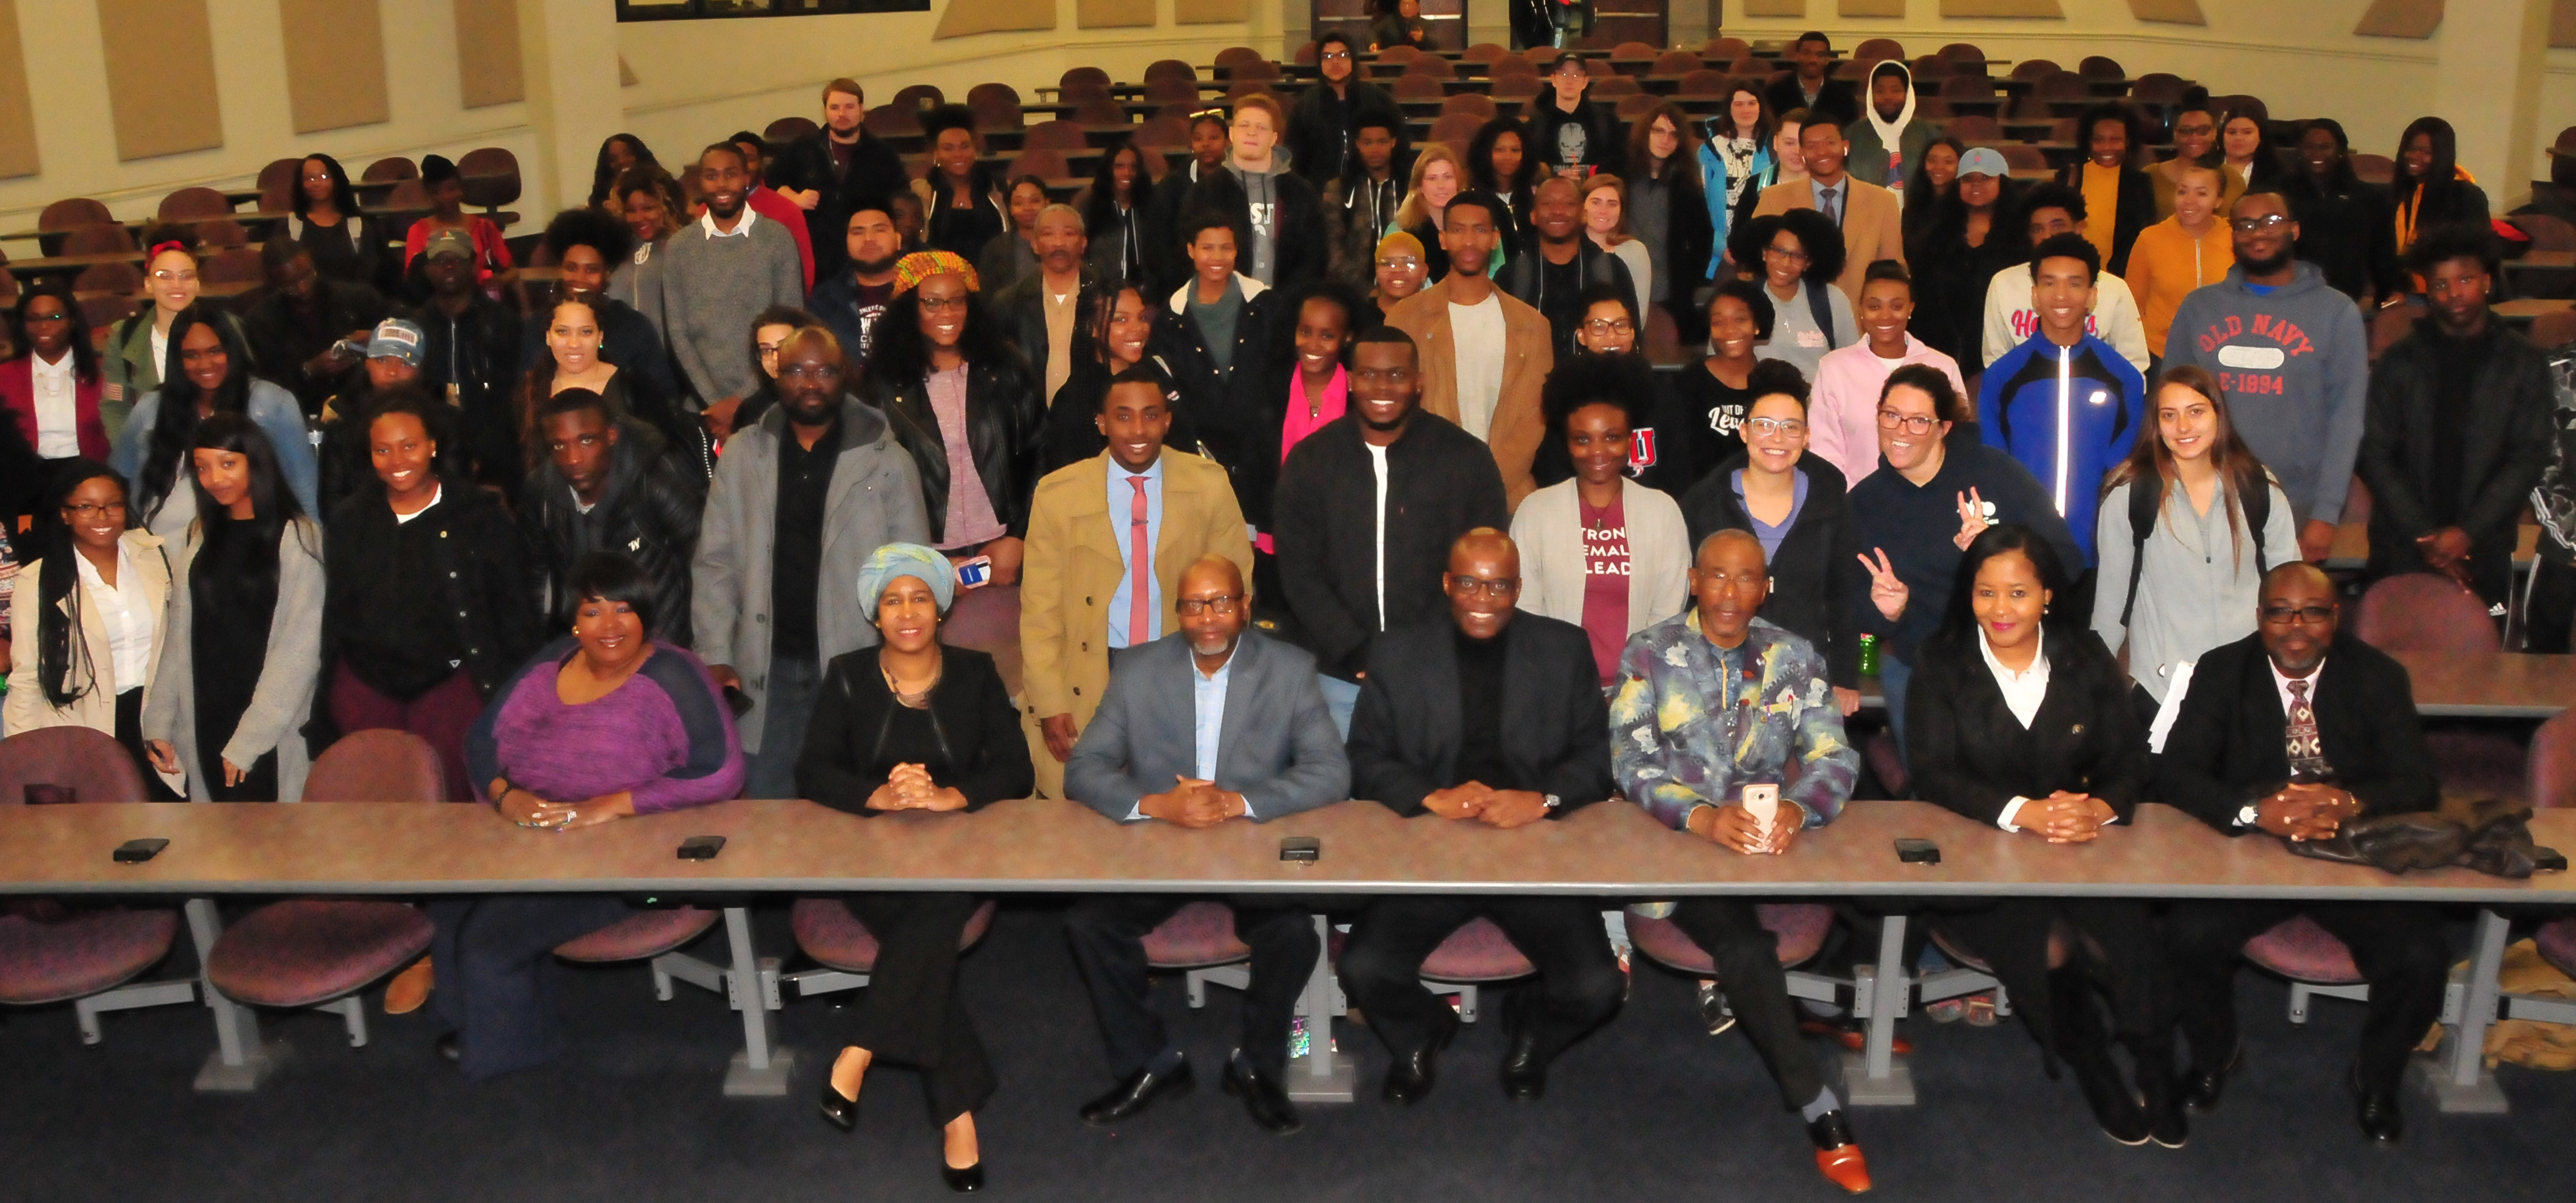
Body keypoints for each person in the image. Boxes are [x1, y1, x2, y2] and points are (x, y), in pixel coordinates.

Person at [1610, 528, 1872, 1194]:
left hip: (1777, 845)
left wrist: (1797, 808)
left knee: (1862, 902)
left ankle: (1820, 1006)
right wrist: (1700, 815)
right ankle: (1818, 1105)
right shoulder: (1650, 652)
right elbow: (1629, 761)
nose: (1731, 593)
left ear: (1766, 586)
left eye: (1746, 578)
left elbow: (1835, 758)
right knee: (1747, 950)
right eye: (1717, 577)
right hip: (1685, 846)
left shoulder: (1796, 656)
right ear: (1695, 580)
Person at [2157, 562, 2448, 1146]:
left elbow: (2419, 783)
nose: (2296, 627)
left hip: (2351, 856)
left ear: (2335, 619)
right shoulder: (2221, 671)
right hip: (2252, 853)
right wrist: (2252, 811)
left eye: (2313, 613)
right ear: (2259, 617)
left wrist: (2349, 800)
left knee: (2421, 954)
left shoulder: (2378, 676)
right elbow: (2174, 773)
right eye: (2279, 612)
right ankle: (2215, 1057)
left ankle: (2377, 1078)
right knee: (2185, 935)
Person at [1907, 525, 2175, 1147]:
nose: (2001, 609)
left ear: (2048, 595)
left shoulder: (2085, 656)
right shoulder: (1939, 662)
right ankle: (2094, 1067)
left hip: (2081, 845)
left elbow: (2129, 760)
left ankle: (2155, 1059)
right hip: (1980, 855)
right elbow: (1932, 773)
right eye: (1986, 593)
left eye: (2018, 593)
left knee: (2122, 934)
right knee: (2048, 943)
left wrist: (2100, 808)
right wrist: (2020, 811)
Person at [1062, 555, 1349, 1134]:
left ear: (1244, 606)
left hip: (1249, 850)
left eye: (1221, 602)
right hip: (1160, 849)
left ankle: (1258, 1065)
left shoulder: (1290, 670)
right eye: (1194, 605)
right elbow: (1084, 768)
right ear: (1179, 612)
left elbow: (1332, 772)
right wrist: (1156, 805)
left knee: (1293, 934)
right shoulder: (1138, 669)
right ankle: (1149, 1063)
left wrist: (1237, 802)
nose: (1208, 617)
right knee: (1088, 924)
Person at [436, 552, 744, 1079]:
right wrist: (506, 796)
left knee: (490, 938)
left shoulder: (672, 672)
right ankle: (481, 1023)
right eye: (592, 611)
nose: (608, 626)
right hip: (533, 837)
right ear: (573, 621)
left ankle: (509, 1054)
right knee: (448, 904)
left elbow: (722, 770)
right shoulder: (550, 661)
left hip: (625, 855)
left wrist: (609, 807)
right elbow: (480, 742)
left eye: (624, 610)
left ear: (647, 615)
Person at [1340, 528, 1622, 1101]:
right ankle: (1422, 1031)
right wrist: (1428, 796)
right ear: (1447, 583)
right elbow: (1365, 758)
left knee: (1596, 986)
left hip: (1533, 849)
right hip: (1432, 846)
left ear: (1518, 589)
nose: (1482, 598)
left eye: (1498, 586)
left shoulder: (1564, 649)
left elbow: (1597, 759)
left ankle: (1532, 1031)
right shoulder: (1397, 652)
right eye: (1468, 583)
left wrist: (1541, 799)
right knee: (1364, 967)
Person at [800, 544, 1028, 1191]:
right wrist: (877, 795)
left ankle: (860, 1047)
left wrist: (949, 795)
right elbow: (812, 770)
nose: (907, 611)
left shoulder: (976, 673)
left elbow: (1017, 768)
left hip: (958, 844)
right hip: (870, 851)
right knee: (925, 942)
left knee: (928, 915)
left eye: (920, 597)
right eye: (893, 599)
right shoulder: (847, 675)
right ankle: (958, 1115)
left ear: (940, 607)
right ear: (875, 613)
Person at [695, 325, 929, 799]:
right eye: (797, 370)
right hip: (765, 668)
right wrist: (716, 655)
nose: (811, 383)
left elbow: (913, 573)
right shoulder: (742, 455)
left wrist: (908, 666)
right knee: (766, 814)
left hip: (858, 666)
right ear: (775, 376)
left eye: (825, 371)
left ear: (845, 378)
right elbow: (715, 564)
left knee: (855, 815)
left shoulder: (888, 461)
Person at [1021, 367, 1254, 798]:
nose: (1138, 429)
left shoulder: (1209, 485)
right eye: (1123, 416)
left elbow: (1235, 592)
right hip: (1089, 673)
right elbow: (1039, 612)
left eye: (1150, 415)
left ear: (1168, 420)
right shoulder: (1058, 494)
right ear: (1102, 422)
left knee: (1178, 815)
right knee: (1085, 821)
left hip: (1180, 670)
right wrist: (1049, 703)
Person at [1272, 326, 1509, 734]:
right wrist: (1355, 651)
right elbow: (1299, 572)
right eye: (1368, 375)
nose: (1382, 387)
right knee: (1340, 793)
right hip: (1336, 679)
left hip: (1439, 672)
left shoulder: (1466, 459)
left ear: (1419, 382)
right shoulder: (1310, 461)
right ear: (1349, 381)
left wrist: (1418, 652)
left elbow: (1481, 567)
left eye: (1397, 375)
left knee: (1433, 795)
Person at [317, 389, 537, 802]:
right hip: (367, 689)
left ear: (433, 445)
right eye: (383, 450)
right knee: (373, 810)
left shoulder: (479, 514)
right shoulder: (350, 520)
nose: (397, 461)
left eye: (409, 446)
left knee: (450, 806)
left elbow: (514, 613)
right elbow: (338, 613)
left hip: (450, 689)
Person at [1848, 366, 2082, 750]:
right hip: (1920, 668)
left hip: (2012, 664)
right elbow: (1853, 605)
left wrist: (1997, 548)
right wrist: (1885, 614)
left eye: (1919, 421)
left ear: (1944, 428)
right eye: (1890, 415)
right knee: (1933, 798)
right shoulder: (1863, 504)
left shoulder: (1994, 472)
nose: (1900, 431)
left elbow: (2067, 561)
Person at [2161, 188, 2369, 562]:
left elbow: (2347, 420)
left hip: (2298, 503)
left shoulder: (2337, 312)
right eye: (2246, 224)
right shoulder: (2199, 308)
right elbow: (2168, 406)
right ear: (2233, 236)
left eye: (2272, 221)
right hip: (2207, 498)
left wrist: (2326, 513)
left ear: (2295, 229)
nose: (2259, 232)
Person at [2357, 223, 2555, 611]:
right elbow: (2375, 454)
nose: (2453, 294)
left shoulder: (2524, 362)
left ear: (2486, 281)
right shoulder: (2399, 362)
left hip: (2484, 545)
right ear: (2426, 290)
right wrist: (2426, 537)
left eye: (2464, 279)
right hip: (2403, 544)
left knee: (2478, 664)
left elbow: (2528, 455)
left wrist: (2467, 534)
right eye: (2440, 285)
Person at [2091, 366, 2298, 714]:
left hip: (2249, 689)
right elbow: (2110, 607)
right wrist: (2092, 691)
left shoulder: (2258, 487)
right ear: (2156, 425)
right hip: (2163, 694)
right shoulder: (2129, 496)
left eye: (2196, 412)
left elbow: (2289, 591)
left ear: (2219, 414)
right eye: (2169, 416)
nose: (2183, 428)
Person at [140, 416, 324, 802]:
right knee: (216, 848)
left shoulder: (297, 535)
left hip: (270, 723)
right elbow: (179, 634)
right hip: (206, 711)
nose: (215, 478)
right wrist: (159, 720)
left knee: (275, 847)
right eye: (203, 467)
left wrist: (250, 740)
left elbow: (301, 650)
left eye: (228, 464)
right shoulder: (200, 532)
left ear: (255, 463)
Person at [1681, 359, 1864, 708]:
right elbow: (1687, 596)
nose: (1777, 438)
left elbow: (1843, 596)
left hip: (1806, 673)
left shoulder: (1831, 503)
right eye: (1764, 426)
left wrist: (1844, 679)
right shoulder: (1703, 503)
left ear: (1807, 437)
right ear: (1744, 431)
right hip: (1715, 675)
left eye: (1791, 427)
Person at [864, 252, 1045, 588]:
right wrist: (922, 558)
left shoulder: (1005, 367)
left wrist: (1020, 537)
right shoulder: (884, 383)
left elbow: (1041, 453)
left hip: (1006, 547)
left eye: (957, 301)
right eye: (932, 303)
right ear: (909, 309)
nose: (947, 313)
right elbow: (873, 481)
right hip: (922, 554)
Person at [1510, 371, 1690, 684]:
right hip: (1555, 689)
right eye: (1583, 439)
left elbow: (1668, 615)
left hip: (1642, 692)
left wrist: (1636, 686)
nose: (1597, 451)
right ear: (1567, 443)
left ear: (1631, 439)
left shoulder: (1662, 512)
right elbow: (1526, 614)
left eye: (1611, 437)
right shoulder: (1535, 511)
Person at [4, 462, 174, 796]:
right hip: (80, 726)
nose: (102, 516)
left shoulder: (157, 558)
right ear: (65, 514)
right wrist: (20, 762)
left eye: (113, 505)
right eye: (86, 507)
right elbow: (26, 677)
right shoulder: (38, 582)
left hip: (154, 722)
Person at [1979, 233, 2148, 565]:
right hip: (2024, 556)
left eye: (2074, 284)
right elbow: (1994, 469)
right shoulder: (2002, 377)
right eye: (2049, 283)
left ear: (2092, 296)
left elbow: (2125, 471)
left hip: (2101, 556)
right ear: (2034, 295)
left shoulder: (2123, 378)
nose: (2061, 296)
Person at [1387, 190, 1555, 505]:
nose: (1468, 241)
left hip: (1508, 495)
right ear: (1443, 238)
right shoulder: (1405, 318)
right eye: (1458, 229)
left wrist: (1484, 482)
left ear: (1495, 239)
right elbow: (1398, 407)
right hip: (1427, 493)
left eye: (1479, 230)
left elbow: (1535, 417)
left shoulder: (1532, 325)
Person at [112, 305, 317, 542]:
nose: (205, 364)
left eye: (215, 351)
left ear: (233, 351)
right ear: (177, 360)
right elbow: (119, 477)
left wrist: (312, 546)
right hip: (158, 545)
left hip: (251, 543)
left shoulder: (273, 403)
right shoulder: (151, 408)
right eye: (191, 355)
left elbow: (304, 486)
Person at [520, 387, 703, 645]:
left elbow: (705, 561)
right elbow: (536, 579)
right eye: (559, 445)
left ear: (611, 435)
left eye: (586, 440)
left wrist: (704, 650)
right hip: (586, 650)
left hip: (661, 649)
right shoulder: (542, 492)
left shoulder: (654, 480)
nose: (573, 459)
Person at [665, 142, 807, 429]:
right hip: (702, 408)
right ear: (700, 181)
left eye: (730, 174)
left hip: (768, 401)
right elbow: (677, 334)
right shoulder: (679, 247)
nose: (721, 184)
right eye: (711, 175)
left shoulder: (776, 239)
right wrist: (713, 402)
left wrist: (742, 401)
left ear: (747, 177)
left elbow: (791, 327)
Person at [1150, 213, 1277, 514]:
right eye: (1208, 248)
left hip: (1262, 457)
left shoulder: (1266, 305)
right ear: (1191, 250)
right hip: (1198, 463)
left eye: (1226, 248)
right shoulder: (1171, 318)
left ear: (1237, 251)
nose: (1217, 257)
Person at [1810, 260, 1966, 488]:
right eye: (1874, 307)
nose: (1885, 316)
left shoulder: (1943, 366)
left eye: (1896, 306)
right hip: (1856, 504)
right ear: (1861, 310)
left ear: (1911, 309)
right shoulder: (1834, 368)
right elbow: (1823, 450)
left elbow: (1958, 442)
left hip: (1930, 499)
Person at [1530, 286, 1692, 494]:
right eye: (1599, 327)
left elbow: (1678, 473)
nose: (1612, 336)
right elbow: (1552, 471)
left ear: (1633, 332)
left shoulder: (1661, 392)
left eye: (1621, 325)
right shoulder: (1564, 393)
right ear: (1581, 335)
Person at [1979, 184, 2150, 374]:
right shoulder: (2004, 283)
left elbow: (2133, 363)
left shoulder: (2114, 288)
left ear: (2078, 228)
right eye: (2037, 229)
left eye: (2057, 226)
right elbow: (1995, 360)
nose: (2047, 236)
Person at [516, 209, 676, 411]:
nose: (580, 278)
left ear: (607, 273)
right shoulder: (537, 327)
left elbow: (664, 398)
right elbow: (524, 398)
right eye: (571, 268)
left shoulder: (633, 327)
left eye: (591, 270)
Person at [102, 232, 250, 441]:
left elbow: (249, 391)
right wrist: (136, 457)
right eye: (165, 275)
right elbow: (115, 409)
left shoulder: (229, 327)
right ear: (148, 284)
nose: (176, 285)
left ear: (198, 284)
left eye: (186, 276)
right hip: (155, 453)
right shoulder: (123, 336)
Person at [407, 230, 526, 488]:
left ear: (474, 265)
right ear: (427, 269)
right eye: (440, 261)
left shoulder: (502, 321)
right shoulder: (415, 327)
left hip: (496, 448)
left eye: (457, 260)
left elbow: (512, 392)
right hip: (433, 449)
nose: (449, 267)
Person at [767, 79, 911, 282]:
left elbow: (901, 200)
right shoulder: (802, 149)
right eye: (834, 107)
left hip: (867, 257)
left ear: (862, 110)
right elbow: (771, 182)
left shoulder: (884, 155)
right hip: (814, 259)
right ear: (825, 110)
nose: (842, 114)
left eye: (849, 107)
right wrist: (793, 198)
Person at [1754, 115, 1905, 304]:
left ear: (1845, 146)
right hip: (1792, 320)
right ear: (1801, 154)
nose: (1822, 152)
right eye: (1812, 146)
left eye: (1830, 143)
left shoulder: (1882, 202)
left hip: (1858, 321)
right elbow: (1756, 264)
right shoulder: (1773, 198)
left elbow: (1893, 269)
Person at [1187, 93, 1331, 290]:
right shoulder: (1205, 192)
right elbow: (1190, 252)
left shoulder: (1301, 192)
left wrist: (1287, 300)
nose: (1251, 133)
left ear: (1274, 138)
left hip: (1287, 304)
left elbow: (1314, 256)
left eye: (1261, 128)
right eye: (1244, 125)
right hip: (1225, 301)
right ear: (1231, 134)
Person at [243, 239, 390, 421]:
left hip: (362, 403)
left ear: (313, 265)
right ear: (274, 282)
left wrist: (378, 337)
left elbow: (402, 325)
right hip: (302, 410)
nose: (302, 288)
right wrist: (308, 370)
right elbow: (267, 383)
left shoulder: (356, 298)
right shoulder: (261, 321)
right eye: (290, 285)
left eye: (306, 276)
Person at [1503, 175, 1640, 356]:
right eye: (1547, 204)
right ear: (1533, 216)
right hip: (1532, 384)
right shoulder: (1511, 276)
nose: (1558, 211)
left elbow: (1633, 342)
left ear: (1584, 214)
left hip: (1599, 382)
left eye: (1569, 204)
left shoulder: (1612, 270)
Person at [1906, 147, 2018, 366]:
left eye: (1986, 178)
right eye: (1967, 179)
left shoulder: (2019, 237)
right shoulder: (1935, 234)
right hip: (1939, 347)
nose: (1976, 185)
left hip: (1999, 350)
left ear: (2002, 183)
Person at [2122, 163, 2233, 364]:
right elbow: (2133, 305)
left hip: (2224, 350)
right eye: (2182, 191)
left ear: (2219, 201)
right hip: (2161, 352)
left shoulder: (2234, 236)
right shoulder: (2150, 239)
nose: (2189, 201)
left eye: (2201, 193)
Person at [2286, 119, 2398, 304]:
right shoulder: (2280, 194)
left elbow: (2383, 253)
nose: (2316, 153)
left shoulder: (2369, 198)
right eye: (2309, 147)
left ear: (2340, 151)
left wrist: (2389, 291)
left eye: (2325, 147)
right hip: (2292, 295)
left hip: (2349, 298)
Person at [994, 203, 1094, 407]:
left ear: (1084, 243)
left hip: (1092, 418)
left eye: (1068, 234)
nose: (1058, 243)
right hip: (1032, 418)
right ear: (1035, 244)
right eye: (1048, 234)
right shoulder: (1009, 302)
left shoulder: (1106, 297)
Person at [1623, 103, 1714, 328]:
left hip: (1669, 292)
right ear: (1645, 132)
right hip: (1622, 282)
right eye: (1658, 131)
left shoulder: (1686, 184)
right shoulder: (1621, 174)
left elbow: (1704, 238)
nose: (1665, 139)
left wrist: (1689, 282)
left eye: (1673, 135)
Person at [1671, 279, 1769, 478]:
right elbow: (1677, 459)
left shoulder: (1772, 384)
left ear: (1757, 325)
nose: (1729, 330)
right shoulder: (1688, 382)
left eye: (1740, 320)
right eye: (1718, 322)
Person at [1, 284, 107, 462]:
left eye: (55, 317)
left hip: (89, 470)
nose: (44, 326)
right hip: (24, 472)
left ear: (73, 321)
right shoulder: (5, 375)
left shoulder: (103, 372)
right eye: (33, 319)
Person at [1743, 210, 1854, 382]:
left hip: (1818, 406)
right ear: (1765, 253)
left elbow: (1851, 365)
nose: (1785, 262)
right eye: (1779, 251)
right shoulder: (1742, 299)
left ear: (1808, 263)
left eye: (1797, 256)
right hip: (1760, 404)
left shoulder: (1832, 300)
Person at [1285, 31, 1397, 193]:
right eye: (1327, 57)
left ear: (1354, 60)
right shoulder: (1306, 105)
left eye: (1343, 55)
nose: (1335, 62)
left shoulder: (1378, 100)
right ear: (1319, 63)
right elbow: (1294, 160)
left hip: (1372, 193)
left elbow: (1399, 150)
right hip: (1320, 196)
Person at [2054, 103, 2155, 277]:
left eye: (2115, 140)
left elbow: (2143, 236)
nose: (2107, 147)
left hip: (2121, 277)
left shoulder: (2140, 183)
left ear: (2128, 142)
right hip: (2073, 272)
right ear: (2089, 142)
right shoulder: (2068, 177)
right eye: (2099, 140)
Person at [1143, 109, 1234, 298]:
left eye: (1214, 138)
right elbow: (1159, 241)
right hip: (1179, 282)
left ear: (1227, 141)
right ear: (1191, 144)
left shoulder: (1238, 183)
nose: (1206, 144)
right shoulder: (1172, 186)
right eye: (1199, 139)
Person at [809, 202, 906, 376]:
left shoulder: (921, 291)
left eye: (879, 230)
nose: (869, 238)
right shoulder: (823, 302)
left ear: (898, 240)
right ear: (846, 244)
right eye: (858, 232)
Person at [401, 155, 515, 298]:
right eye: (436, 192)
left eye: (451, 189)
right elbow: (414, 281)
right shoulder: (417, 231)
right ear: (428, 195)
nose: (445, 196)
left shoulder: (484, 228)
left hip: (480, 302)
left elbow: (512, 272)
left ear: (461, 189)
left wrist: (500, 281)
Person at [1326, 110, 1412, 291]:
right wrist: (1363, 289)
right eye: (1368, 142)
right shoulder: (1339, 189)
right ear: (1358, 144)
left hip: (1406, 288)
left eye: (1382, 142)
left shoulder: (1410, 188)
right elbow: (1331, 245)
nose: (1375, 149)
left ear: (1393, 142)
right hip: (1352, 291)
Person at [608, 165, 691, 353]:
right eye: (631, 210)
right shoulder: (618, 249)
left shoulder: (685, 249)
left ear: (669, 207)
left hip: (672, 359)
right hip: (625, 358)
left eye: (648, 208)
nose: (639, 218)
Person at [2389, 117, 2491, 266]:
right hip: (2397, 282)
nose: (2414, 156)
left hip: (2444, 280)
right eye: (2410, 149)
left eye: (2425, 152)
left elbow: (2476, 251)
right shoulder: (2395, 194)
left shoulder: (2466, 197)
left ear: (2442, 154)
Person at [725, 130, 818, 291]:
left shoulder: (786, 210)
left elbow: (804, 271)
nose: (743, 166)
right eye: (736, 160)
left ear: (762, 164)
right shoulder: (706, 210)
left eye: (750, 159)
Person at [1699, 84, 1777, 261]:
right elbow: (1700, 206)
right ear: (1729, 108)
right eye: (1739, 104)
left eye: (1752, 103)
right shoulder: (1709, 151)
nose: (1746, 109)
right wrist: (1720, 248)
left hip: (1765, 250)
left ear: (1761, 107)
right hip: (1719, 253)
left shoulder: (1775, 149)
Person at [285, 153, 385, 291]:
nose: (317, 183)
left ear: (337, 181)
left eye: (324, 177)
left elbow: (368, 276)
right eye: (310, 178)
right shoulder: (291, 226)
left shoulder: (358, 226)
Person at [2536, 346, 2576, 654]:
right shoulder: (2555, 373)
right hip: (2567, 552)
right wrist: (2571, 539)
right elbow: (2539, 465)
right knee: (2543, 679)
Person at [1526, 52, 1621, 181]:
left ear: (1585, 81)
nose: (1570, 80)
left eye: (1576, 75)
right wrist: (1556, 177)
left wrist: (1590, 176)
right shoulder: (1537, 123)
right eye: (1564, 74)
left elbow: (1618, 163)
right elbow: (1529, 167)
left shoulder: (1605, 121)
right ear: (1553, 79)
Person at [2152, 92, 2245, 222]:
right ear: (2175, 134)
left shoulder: (2232, 178)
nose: (2194, 138)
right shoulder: (2151, 175)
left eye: (2203, 131)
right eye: (2186, 131)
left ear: (2214, 133)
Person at [1843, 61, 1928, 200]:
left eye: (1896, 90)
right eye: (1880, 91)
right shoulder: (1852, 134)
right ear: (1871, 95)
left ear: (1908, 94)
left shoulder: (1927, 134)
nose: (1888, 97)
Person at [1079, 142, 1154, 291]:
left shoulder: (1152, 205)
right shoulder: (1088, 204)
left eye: (1133, 167)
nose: (1127, 173)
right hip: (1100, 294)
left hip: (1145, 295)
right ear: (1108, 169)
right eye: (1119, 166)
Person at [1576, 175, 1654, 317]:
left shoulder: (1635, 252)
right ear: (1582, 207)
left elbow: (1638, 315)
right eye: (1596, 202)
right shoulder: (1569, 249)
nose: (1603, 210)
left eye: (1612, 204)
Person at [1393, 144, 1466, 283]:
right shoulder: (1399, 230)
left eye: (1448, 177)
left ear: (1458, 182)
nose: (1441, 185)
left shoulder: (1477, 224)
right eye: (1432, 178)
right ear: (1420, 186)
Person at [976, 175, 1050, 300]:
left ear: (1047, 203)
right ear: (1010, 209)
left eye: (1035, 201)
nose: (1027, 208)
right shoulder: (994, 249)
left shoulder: (1065, 242)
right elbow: (987, 298)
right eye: (1018, 203)